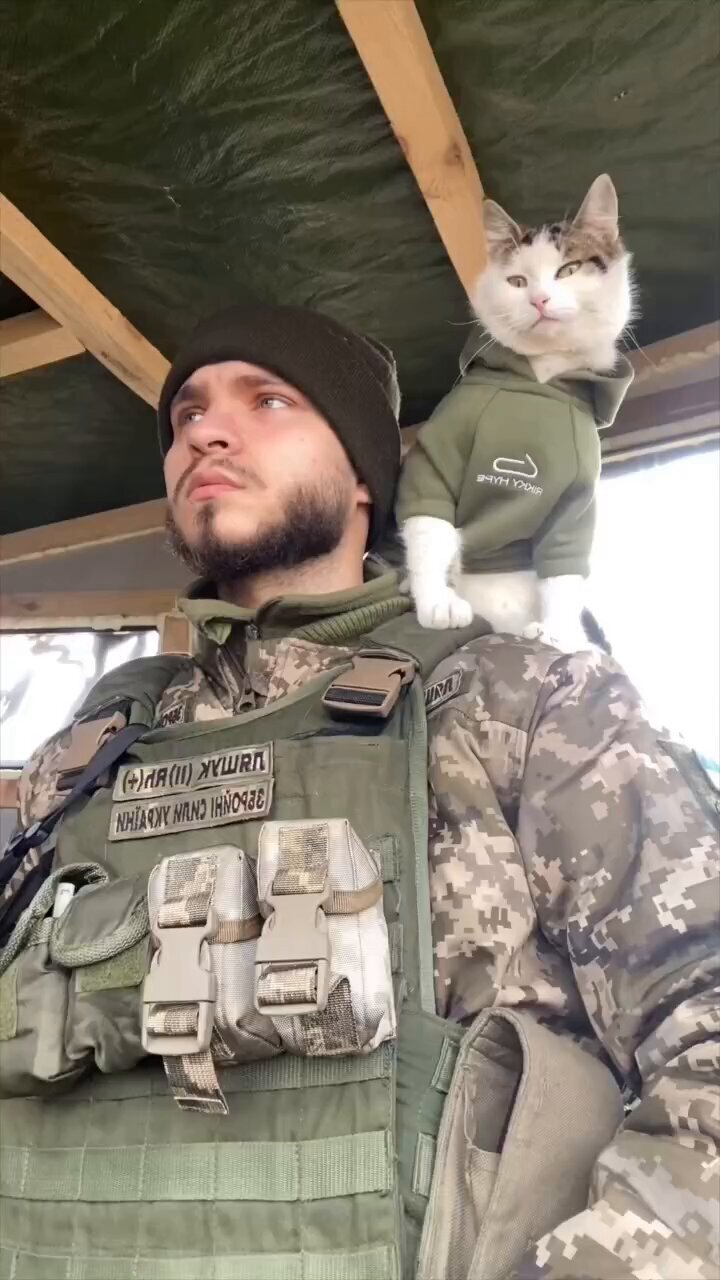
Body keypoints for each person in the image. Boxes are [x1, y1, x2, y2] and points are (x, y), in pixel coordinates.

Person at [1, 302, 718, 1280]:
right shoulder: (84, 755)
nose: (206, 430)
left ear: (361, 483)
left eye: (269, 400)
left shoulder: (523, 701)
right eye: (186, 415)